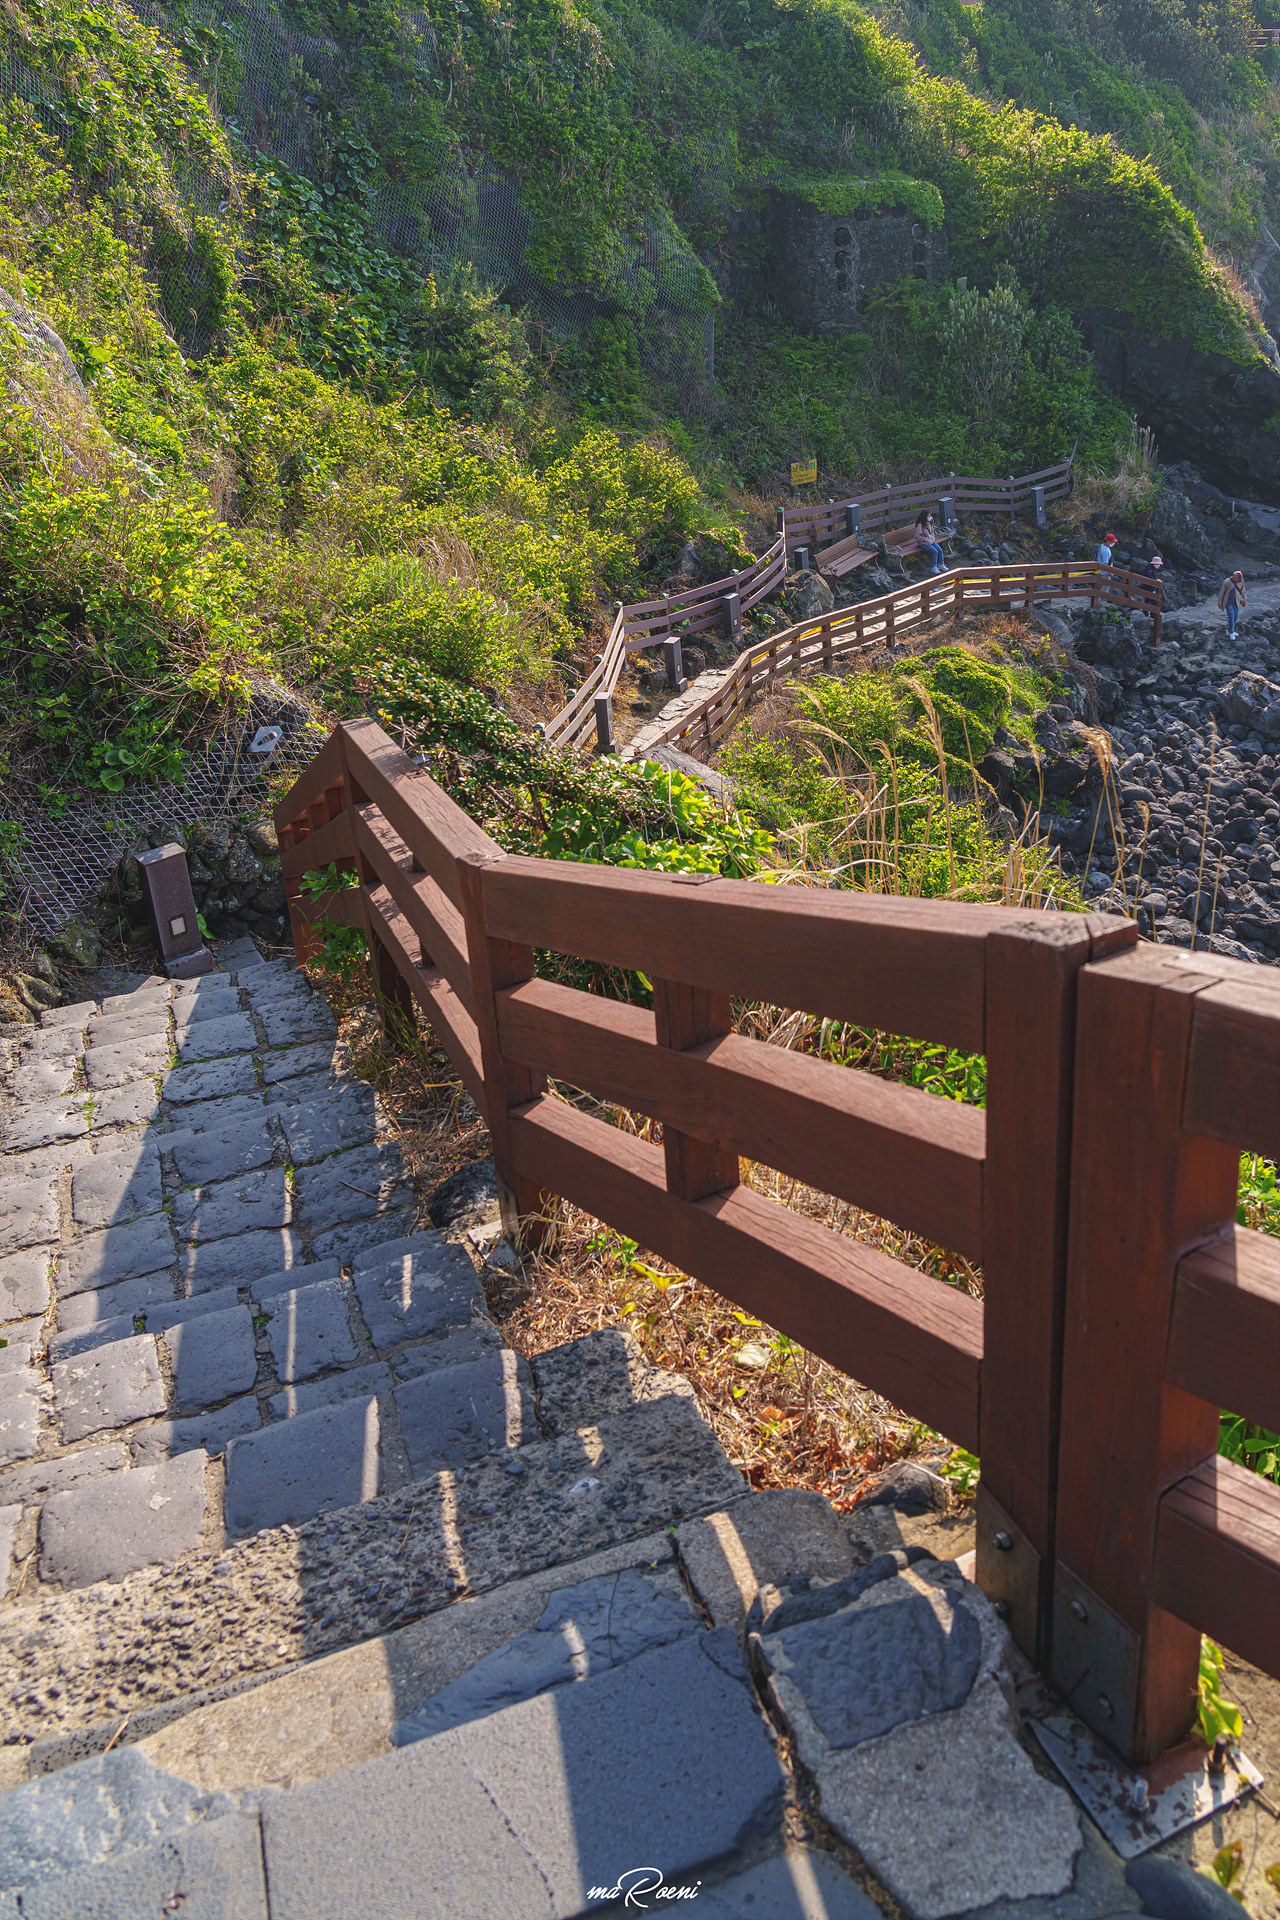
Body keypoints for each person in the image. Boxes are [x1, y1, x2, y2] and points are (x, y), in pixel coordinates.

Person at [915, 508, 947, 575]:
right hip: (923, 542)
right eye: (928, 516)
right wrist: (925, 539)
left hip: (931, 540)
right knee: (935, 551)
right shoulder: (920, 525)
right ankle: (934, 567)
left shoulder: (930, 523)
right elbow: (917, 536)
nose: (930, 517)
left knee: (940, 550)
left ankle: (941, 564)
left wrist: (931, 538)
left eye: (930, 515)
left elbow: (932, 532)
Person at [1218, 569, 1247, 638]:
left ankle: (1230, 630)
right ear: (1233, 577)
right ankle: (1231, 632)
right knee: (1231, 616)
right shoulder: (1226, 582)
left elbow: (1243, 591)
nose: (1238, 581)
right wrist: (1220, 602)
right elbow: (1221, 593)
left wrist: (1244, 599)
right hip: (1228, 602)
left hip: (1236, 602)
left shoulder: (1241, 581)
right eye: (1237, 579)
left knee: (1235, 617)